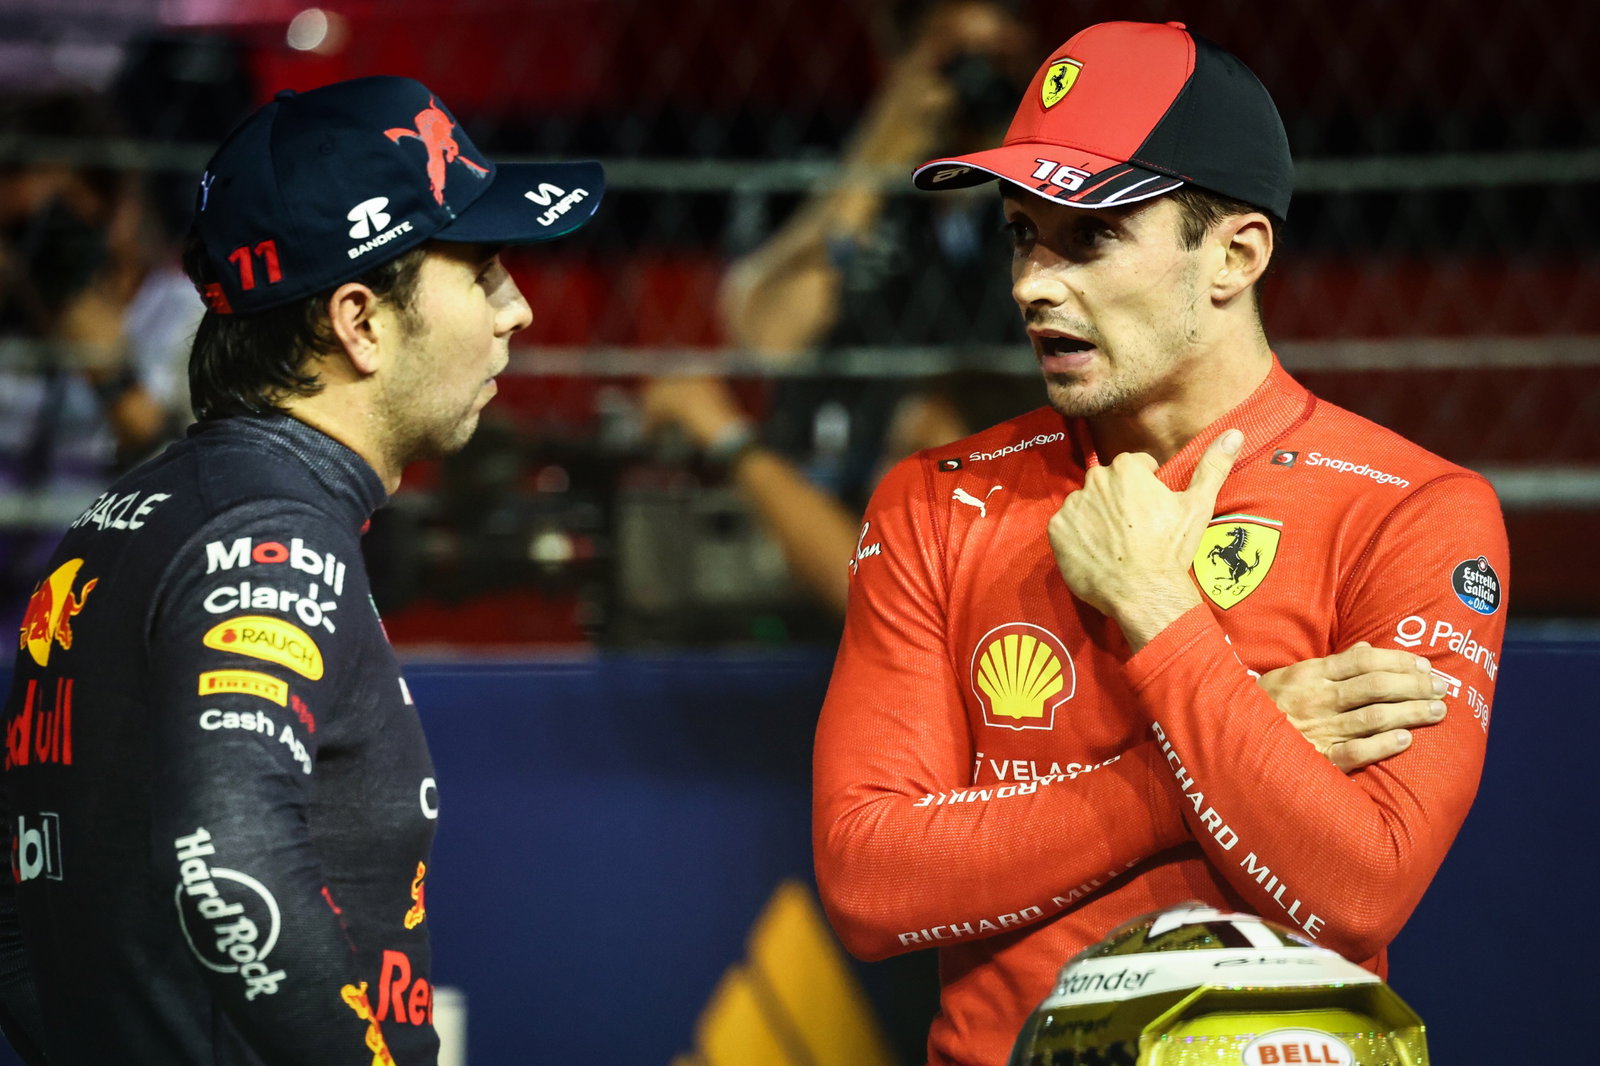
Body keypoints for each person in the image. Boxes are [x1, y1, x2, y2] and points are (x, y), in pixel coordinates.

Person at [812, 20, 1508, 1066]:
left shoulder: (1413, 508)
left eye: (1085, 238)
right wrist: (1205, 756)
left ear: (1235, 254)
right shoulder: (932, 501)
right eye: (1019, 233)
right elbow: (870, 886)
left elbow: (1361, 889)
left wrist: (1155, 607)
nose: (1032, 284)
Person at [0, 76, 603, 1064]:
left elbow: (14, 908)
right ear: (360, 321)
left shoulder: (128, 518)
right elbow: (230, 858)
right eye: (485, 270)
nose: (518, 311)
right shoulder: (275, 536)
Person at [0, 91, 199, 627]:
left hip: (104, 622)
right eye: (16, 230)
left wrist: (106, 366)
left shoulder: (190, 322)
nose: (36, 254)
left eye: (53, 225)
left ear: (119, 206)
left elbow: (198, 494)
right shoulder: (13, 324)